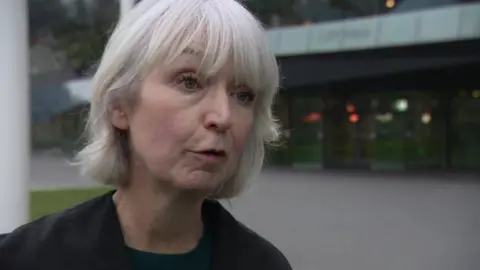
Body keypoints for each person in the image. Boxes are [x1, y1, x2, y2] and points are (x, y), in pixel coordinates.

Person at [0, 0, 292, 269]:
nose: (222, 116)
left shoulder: (264, 264)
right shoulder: (25, 259)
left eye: (243, 95)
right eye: (189, 82)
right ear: (119, 105)